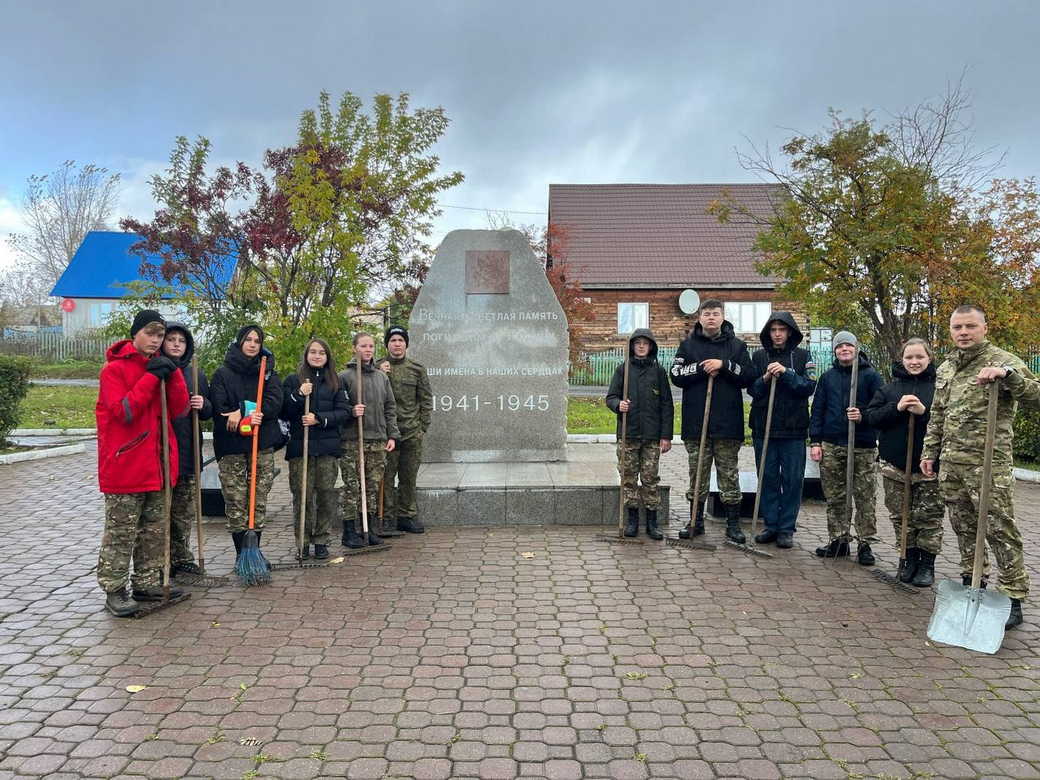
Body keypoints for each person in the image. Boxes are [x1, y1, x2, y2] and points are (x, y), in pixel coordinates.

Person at [921, 305, 1040, 629]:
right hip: (953, 465)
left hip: (988, 464)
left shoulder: (1004, 361)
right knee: (965, 528)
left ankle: (1013, 595)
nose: (963, 332)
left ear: (984, 328)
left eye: (970, 326)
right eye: (957, 327)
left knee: (1000, 529)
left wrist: (1008, 377)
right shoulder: (946, 368)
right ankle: (973, 582)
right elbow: (938, 415)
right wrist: (929, 452)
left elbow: (1036, 396)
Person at [95, 309, 187, 616]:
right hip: (126, 465)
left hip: (158, 465)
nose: (155, 340)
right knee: (122, 533)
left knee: (154, 530)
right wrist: (150, 378)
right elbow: (125, 411)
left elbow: (178, 408)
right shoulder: (114, 371)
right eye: (150, 333)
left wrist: (172, 373)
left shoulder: (160, 367)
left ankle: (147, 581)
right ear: (135, 334)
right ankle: (115, 588)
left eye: (160, 335)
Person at [669, 299, 754, 542]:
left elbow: (748, 375)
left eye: (715, 313)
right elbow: (675, 375)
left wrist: (724, 365)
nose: (711, 318)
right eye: (706, 313)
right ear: (699, 317)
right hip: (696, 425)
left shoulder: (737, 346)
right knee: (698, 474)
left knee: (729, 474)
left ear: (723, 317)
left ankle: (733, 524)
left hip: (728, 424)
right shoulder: (687, 346)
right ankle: (695, 521)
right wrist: (701, 368)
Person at [864, 338, 942, 586]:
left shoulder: (939, 388)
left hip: (928, 466)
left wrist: (923, 413)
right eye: (909, 357)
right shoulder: (889, 389)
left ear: (929, 358)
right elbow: (872, 418)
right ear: (902, 360)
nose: (914, 362)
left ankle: (926, 563)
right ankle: (907, 558)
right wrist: (896, 408)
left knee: (928, 517)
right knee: (900, 515)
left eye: (920, 357)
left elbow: (948, 422)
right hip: (895, 465)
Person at [209, 325, 284, 560]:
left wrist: (244, 411)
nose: (253, 344)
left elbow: (273, 402)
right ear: (240, 342)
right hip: (231, 446)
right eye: (248, 340)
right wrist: (242, 411)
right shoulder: (223, 373)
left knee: (257, 498)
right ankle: (243, 554)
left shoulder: (268, 372)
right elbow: (219, 407)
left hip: (260, 444)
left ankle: (255, 552)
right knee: (236, 500)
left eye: (257, 340)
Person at [809, 331, 883, 564]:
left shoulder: (871, 376)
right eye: (840, 347)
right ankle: (839, 539)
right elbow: (817, 410)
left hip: (862, 445)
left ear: (856, 348)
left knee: (864, 497)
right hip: (832, 444)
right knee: (836, 496)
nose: (844, 350)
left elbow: (882, 409)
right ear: (835, 351)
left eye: (848, 346)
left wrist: (863, 416)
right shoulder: (828, 377)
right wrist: (816, 441)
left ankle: (865, 543)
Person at [747, 312, 816, 549]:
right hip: (763, 427)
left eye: (782, 330)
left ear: (790, 332)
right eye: (773, 330)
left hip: (793, 429)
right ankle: (771, 525)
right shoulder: (758, 356)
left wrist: (787, 374)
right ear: (768, 332)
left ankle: (787, 528)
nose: (777, 334)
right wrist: (766, 377)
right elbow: (752, 390)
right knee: (767, 478)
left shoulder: (802, 356)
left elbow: (808, 386)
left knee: (792, 479)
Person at [281, 339, 350, 560]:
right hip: (301, 449)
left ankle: (321, 540)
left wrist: (319, 419)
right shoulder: (293, 380)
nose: (317, 356)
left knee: (326, 496)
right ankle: (303, 542)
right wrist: (299, 395)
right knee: (302, 496)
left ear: (327, 356)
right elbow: (283, 410)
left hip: (327, 449)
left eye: (321, 352)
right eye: (313, 352)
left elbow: (344, 412)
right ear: (306, 354)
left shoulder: (336, 382)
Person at [605, 328, 674, 540]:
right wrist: (619, 405)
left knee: (650, 478)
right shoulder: (623, 370)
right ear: (632, 346)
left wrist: (666, 436)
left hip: (652, 437)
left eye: (645, 343)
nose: (641, 346)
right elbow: (611, 397)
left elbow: (667, 405)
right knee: (628, 478)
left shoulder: (659, 371)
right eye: (637, 343)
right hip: (628, 435)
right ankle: (632, 520)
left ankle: (652, 522)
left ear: (651, 346)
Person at [161, 322, 212, 577]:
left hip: (188, 450)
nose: (176, 344)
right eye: (171, 339)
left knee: (183, 511)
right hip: (161, 453)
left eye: (181, 340)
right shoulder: (156, 370)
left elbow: (209, 412)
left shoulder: (195, 374)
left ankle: (182, 557)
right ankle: (161, 560)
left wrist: (202, 404)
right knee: (161, 511)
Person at [339, 332, 399, 547]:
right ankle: (349, 531)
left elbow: (390, 407)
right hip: (353, 439)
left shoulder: (381, 377)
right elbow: (338, 407)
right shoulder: (345, 377)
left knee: (372, 486)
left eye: (371, 346)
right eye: (363, 346)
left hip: (377, 438)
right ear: (354, 348)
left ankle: (369, 528)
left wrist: (392, 434)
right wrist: (350, 411)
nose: (368, 350)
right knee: (352, 486)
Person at [380, 326, 432, 534]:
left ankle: (406, 516)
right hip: (387, 433)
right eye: (393, 340)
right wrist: (378, 374)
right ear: (387, 344)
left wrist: (422, 427)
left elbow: (426, 399)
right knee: (386, 475)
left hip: (411, 431)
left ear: (406, 344)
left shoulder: (417, 369)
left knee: (408, 476)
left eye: (401, 340)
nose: (397, 344)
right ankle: (386, 518)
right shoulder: (377, 368)